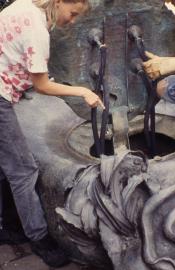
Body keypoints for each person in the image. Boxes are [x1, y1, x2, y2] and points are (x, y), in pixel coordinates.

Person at [0, 0, 104, 268]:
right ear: (59, 2)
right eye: (72, 14)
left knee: (6, 164)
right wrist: (82, 91)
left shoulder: (21, 5)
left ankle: (7, 224)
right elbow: (42, 85)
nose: (71, 21)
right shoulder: (37, 28)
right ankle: (39, 237)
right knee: (23, 170)